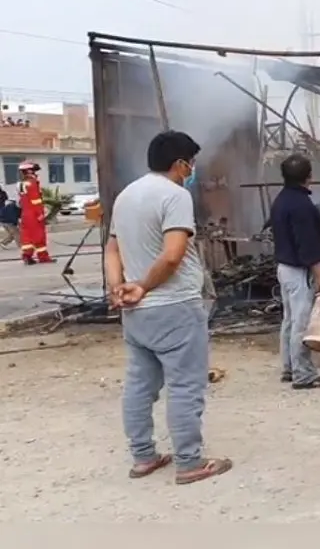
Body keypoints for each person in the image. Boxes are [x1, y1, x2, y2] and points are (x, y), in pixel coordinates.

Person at [105, 130, 233, 485]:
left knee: (139, 385)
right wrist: (144, 285)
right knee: (185, 386)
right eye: (191, 163)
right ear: (180, 164)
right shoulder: (175, 195)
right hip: (174, 306)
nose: (192, 170)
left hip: (136, 312)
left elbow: (112, 249)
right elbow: (174, 254)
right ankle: (190, 462)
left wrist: (119, 288)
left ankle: (143, 457)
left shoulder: (125, 195)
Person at [269, 154, 320, 390]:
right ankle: (303, 374)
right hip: (298, 271)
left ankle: (289, 366)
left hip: (284, 267)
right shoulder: (302, 206)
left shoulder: (281, 201)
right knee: (302, 322)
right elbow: (306, 243)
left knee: (290, 320)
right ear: (309, 177)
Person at [17, 161, 54, 265]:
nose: (35, 173)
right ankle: (43, 257)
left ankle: (27, 256)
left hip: (25, 214)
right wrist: (40, 214)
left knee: (27, 237)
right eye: (34, 170)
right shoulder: (32, 183)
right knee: (39, 236)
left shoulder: (20, 184)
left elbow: (21, 201)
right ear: (29, 171)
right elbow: (36, 200)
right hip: (34, 213)